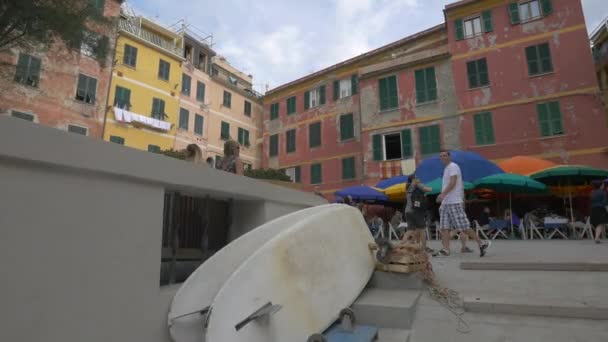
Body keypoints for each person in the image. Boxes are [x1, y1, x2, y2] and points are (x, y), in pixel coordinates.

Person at [433, 150, 490, 257]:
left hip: (454, 201)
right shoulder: (446, 169)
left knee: (463, 226)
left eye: (445, 155)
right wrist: (443, 197)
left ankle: (482, 243)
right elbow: (448, 184)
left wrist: (442, 194)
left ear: (449, 156)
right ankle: (446, 249)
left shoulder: (453, 166)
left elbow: (453, 182)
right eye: (441, 156)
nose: (443, 157)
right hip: (446, 203)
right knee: (444, 227)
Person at [403, 174, 433, 252]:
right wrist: (419, 183)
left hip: (407, 211)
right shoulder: (416, 185)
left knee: (410, 230)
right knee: (422, 230)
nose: (418, 178)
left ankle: (402, 245)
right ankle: (423, 248)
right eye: (416, 178)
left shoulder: (408, 187)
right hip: (416, 211)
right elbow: (430, 189)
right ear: (413, 179)